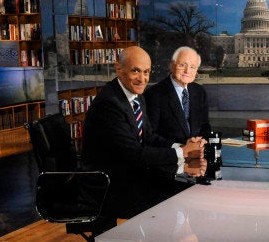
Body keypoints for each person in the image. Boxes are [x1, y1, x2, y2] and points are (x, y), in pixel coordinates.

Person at [82, 46, 205, 219]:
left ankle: (170, 238)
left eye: (146, 72)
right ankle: (166, 239)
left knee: (189, 185)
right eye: (135, 71)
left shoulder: (136, 95)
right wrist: (181, 154)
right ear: (119, 69)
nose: (142, 79)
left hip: (131, 173)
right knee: (179, 191)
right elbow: (134, 155)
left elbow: (148, 136)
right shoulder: (109, 104)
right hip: (110, 185)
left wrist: (182, 147)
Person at [144, 46, 211, 145]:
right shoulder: (154, 94)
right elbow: (149, 135)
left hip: (197, 153)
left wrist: (202, 140)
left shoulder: (199, 91)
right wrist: (180, 148)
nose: (187, 71)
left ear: (196, 70)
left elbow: (205, 126)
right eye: (182, 65)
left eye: (192, 67)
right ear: (172, 65)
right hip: (169, 155)